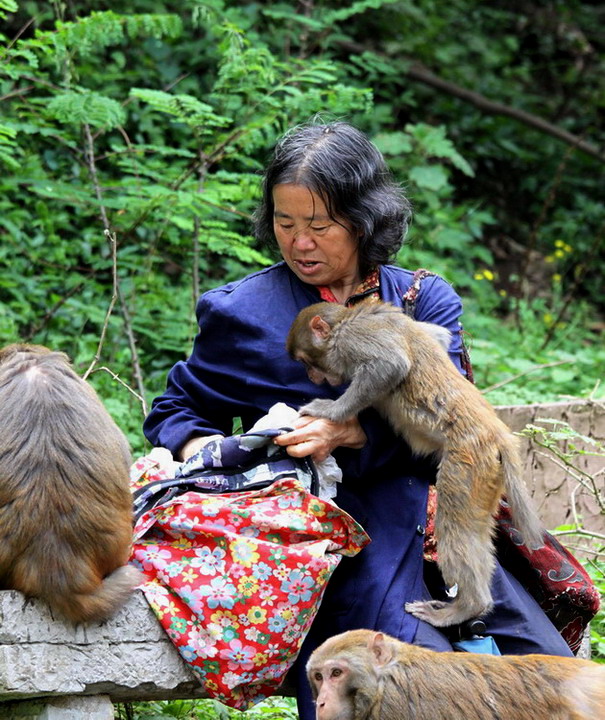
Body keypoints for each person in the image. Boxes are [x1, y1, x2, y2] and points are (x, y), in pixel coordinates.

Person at [143, 120, 572, 718]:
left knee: (556, 684)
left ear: (364, 220)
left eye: (319, 225)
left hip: (445, 527)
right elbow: (176, 411)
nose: (300, 243)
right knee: (406, 690)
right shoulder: (242, 312)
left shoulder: (421, 299)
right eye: (284, 223)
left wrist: (356, 432)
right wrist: (221, 455)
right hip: (341, 554)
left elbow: (459, 428)